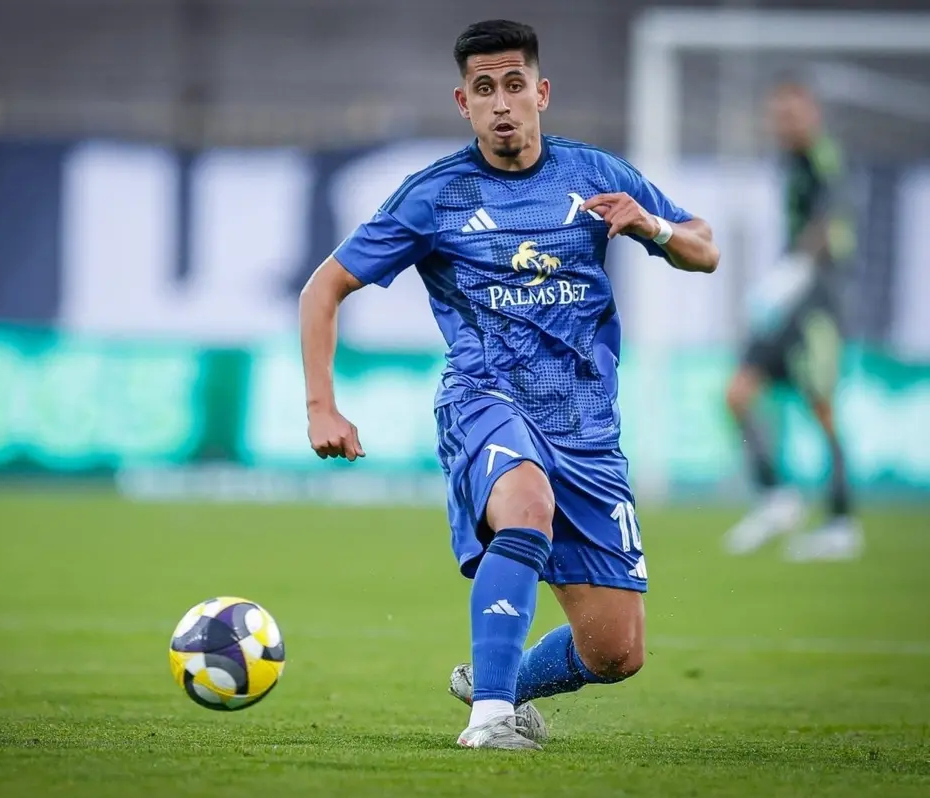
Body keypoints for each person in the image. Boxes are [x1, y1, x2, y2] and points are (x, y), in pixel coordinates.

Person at [298, 19, 718, 750]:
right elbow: (322, 289)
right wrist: (320, 406)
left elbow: (704, 249)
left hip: (586, 427)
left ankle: (498, 680)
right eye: (484, 89)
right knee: (526, 504)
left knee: (615, 652)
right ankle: (490, 719)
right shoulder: (435, 195)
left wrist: (651, 226)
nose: (501, 103)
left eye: (514, 85)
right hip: (485, 399)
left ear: (541, 93)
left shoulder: (596, 174)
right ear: (463, 102)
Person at [723, 79, 862, 562]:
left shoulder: (824, 158)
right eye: (778, 115)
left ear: (812, 114)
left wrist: (794, 271)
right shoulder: (792, 161)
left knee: (822, 408)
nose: (784, 124)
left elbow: (830, 223)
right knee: (738, 393)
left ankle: (842, 523)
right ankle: (777, 497)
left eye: (793, 114)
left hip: (818, 300)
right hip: (788, 301)